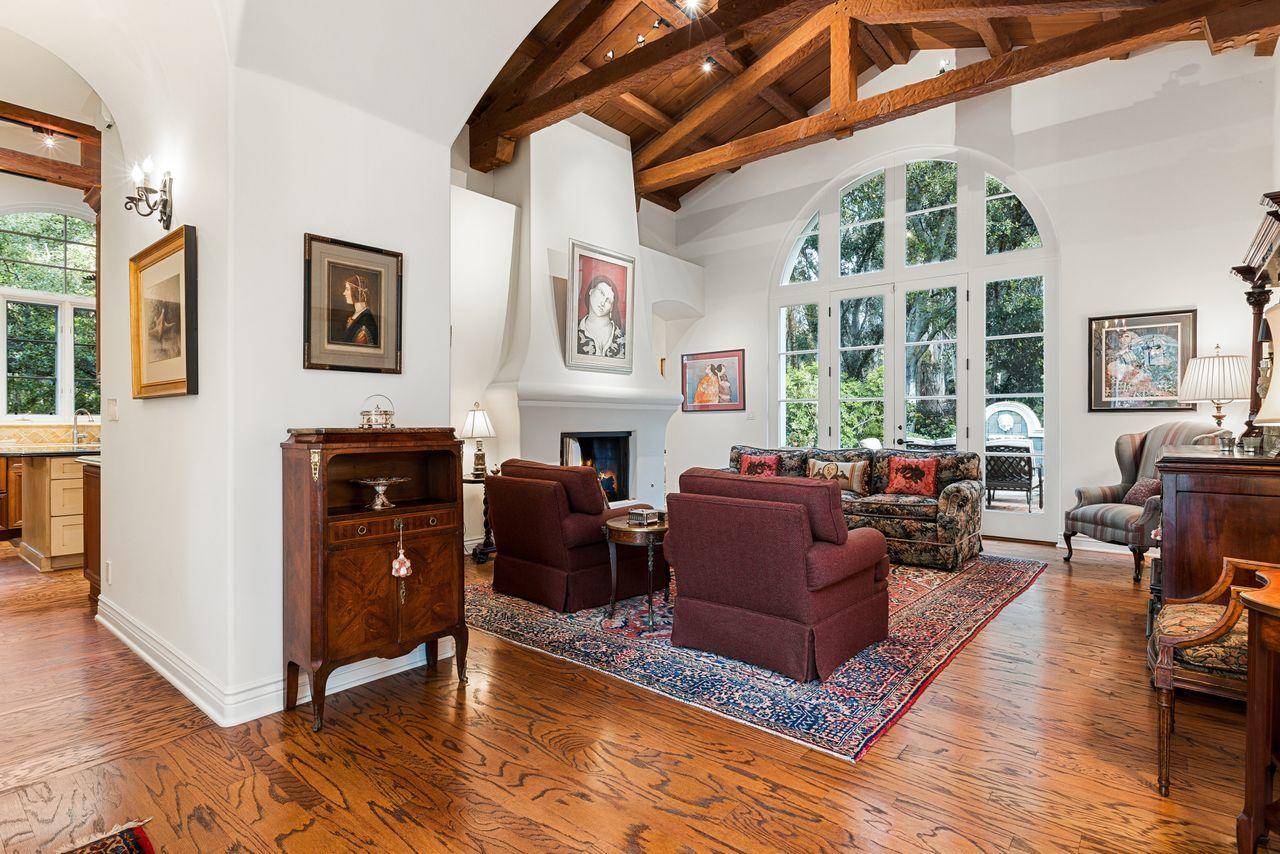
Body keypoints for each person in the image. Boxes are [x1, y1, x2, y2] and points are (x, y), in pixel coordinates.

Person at [576, 276, 625, 358]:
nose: (603, 302)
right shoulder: (575, 330)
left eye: (608, 300)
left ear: (612, 307)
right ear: (591, 291)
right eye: (601, 293)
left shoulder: (622, 337)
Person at [339, 274, 379, 347]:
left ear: (356, 291)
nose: (344, 293)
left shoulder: (365, 322)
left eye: (347, 289)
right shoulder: (355, 315)